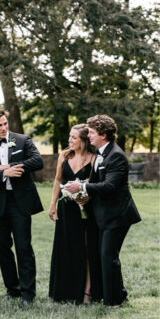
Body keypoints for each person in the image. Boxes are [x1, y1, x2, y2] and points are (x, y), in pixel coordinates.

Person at [65, 116, 141, 306]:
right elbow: (97, 182)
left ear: (103, 135)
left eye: (91, 132)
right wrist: (84, 194)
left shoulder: (115, 155)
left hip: (118, 215)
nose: (88, 135)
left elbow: (110, 186)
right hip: (103, 214)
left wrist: (82, 188)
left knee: (108, 257)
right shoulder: (100, 153)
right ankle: (118, 294)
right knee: (107, 256)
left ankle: (113, 301)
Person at [0, 107, 43, 307]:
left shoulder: (22, 140)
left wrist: (9, 167)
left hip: (20, 203)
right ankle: (12, 288)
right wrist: (2, 175)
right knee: (2, 247)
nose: (3, 128)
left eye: (5, 124)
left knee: (24, 247)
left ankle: (28, 294)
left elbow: (37, 161)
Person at [48, 124, 102, 304]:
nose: (69, 140)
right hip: (66, 209)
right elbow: (57, 180)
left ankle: (87, 291)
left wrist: (88, 197)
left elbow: (97, 184)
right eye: (69, 137)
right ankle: (65, 291)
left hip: (85, 210)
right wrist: (52, 205)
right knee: (66, 248)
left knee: (86, 249)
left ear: (84, 140)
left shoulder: (94, 159)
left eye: (74, 137)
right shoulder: (64, 156)